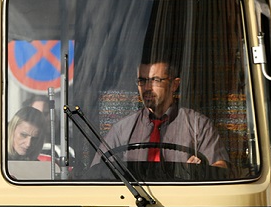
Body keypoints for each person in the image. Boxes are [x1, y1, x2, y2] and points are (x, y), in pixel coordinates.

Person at [94, 59, 228, 168]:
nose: (147, 88)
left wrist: (199, 171)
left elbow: (221, 166)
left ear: (174, 85)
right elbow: (98, 171)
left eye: (155, 80)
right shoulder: (122, 128)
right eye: (142, 81)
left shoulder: (198, 125)